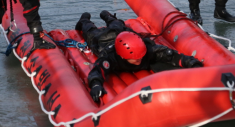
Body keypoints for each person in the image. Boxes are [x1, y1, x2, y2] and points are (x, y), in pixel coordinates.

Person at [75, 11, 203, 102]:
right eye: (135, 58)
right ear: (123, 56)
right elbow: (97, 70)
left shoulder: (148, 51)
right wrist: (96, 85)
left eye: (140, 56)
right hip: (104, 41)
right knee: (90, 31)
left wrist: (191, 63)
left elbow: (170, 55)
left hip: (123, 33)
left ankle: (107, 16)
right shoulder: (111, 57)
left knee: (117, 24)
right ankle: (85, 19)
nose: (139, 60)